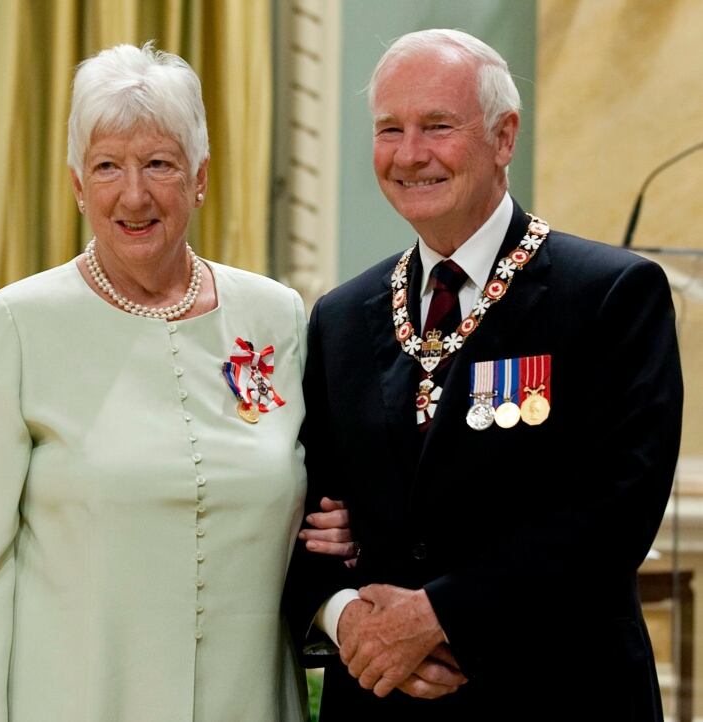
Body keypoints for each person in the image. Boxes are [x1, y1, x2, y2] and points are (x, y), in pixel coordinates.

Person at [0, 42, 349, 722]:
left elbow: (321, 501)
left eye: (159, 164)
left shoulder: (276, 316)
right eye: (107, 166)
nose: (134, 194)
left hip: (251, 702)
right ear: (75, 184)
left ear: (201, 176)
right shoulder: (16, 325)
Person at [285, 28, 683, 722]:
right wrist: (350, 619)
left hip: (557, 694)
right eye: (390, 129)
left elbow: (615, 516)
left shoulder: (610, 296)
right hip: (383, 699)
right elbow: (307, 516)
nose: (411, 154)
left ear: (504, 138)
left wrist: (437, 615)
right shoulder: (341, 319)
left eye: (438, 126)